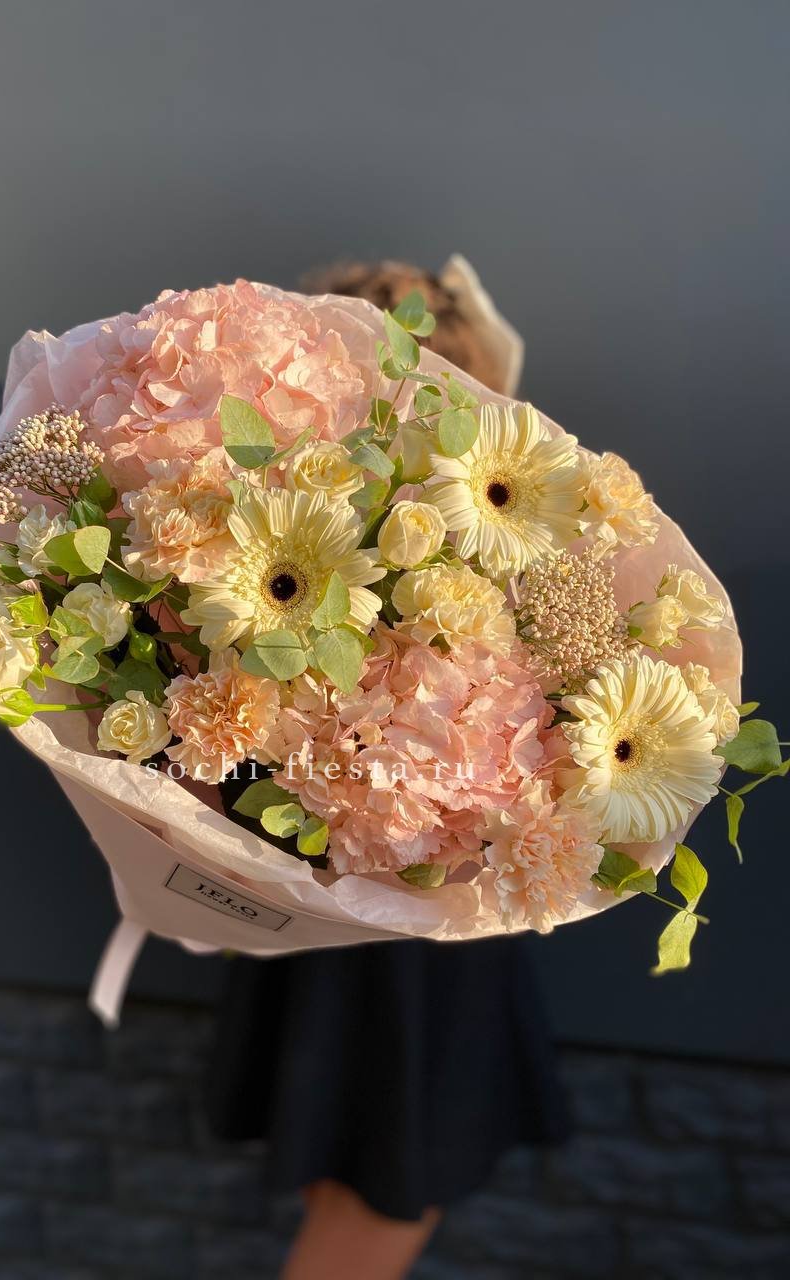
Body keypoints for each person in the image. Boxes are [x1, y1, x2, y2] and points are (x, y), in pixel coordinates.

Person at [207, 261, 570, 1280]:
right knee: (377, 1203)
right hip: (411, 945)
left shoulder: (281, 545)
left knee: (354, 1184)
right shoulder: (446, 565)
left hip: (353, 925)